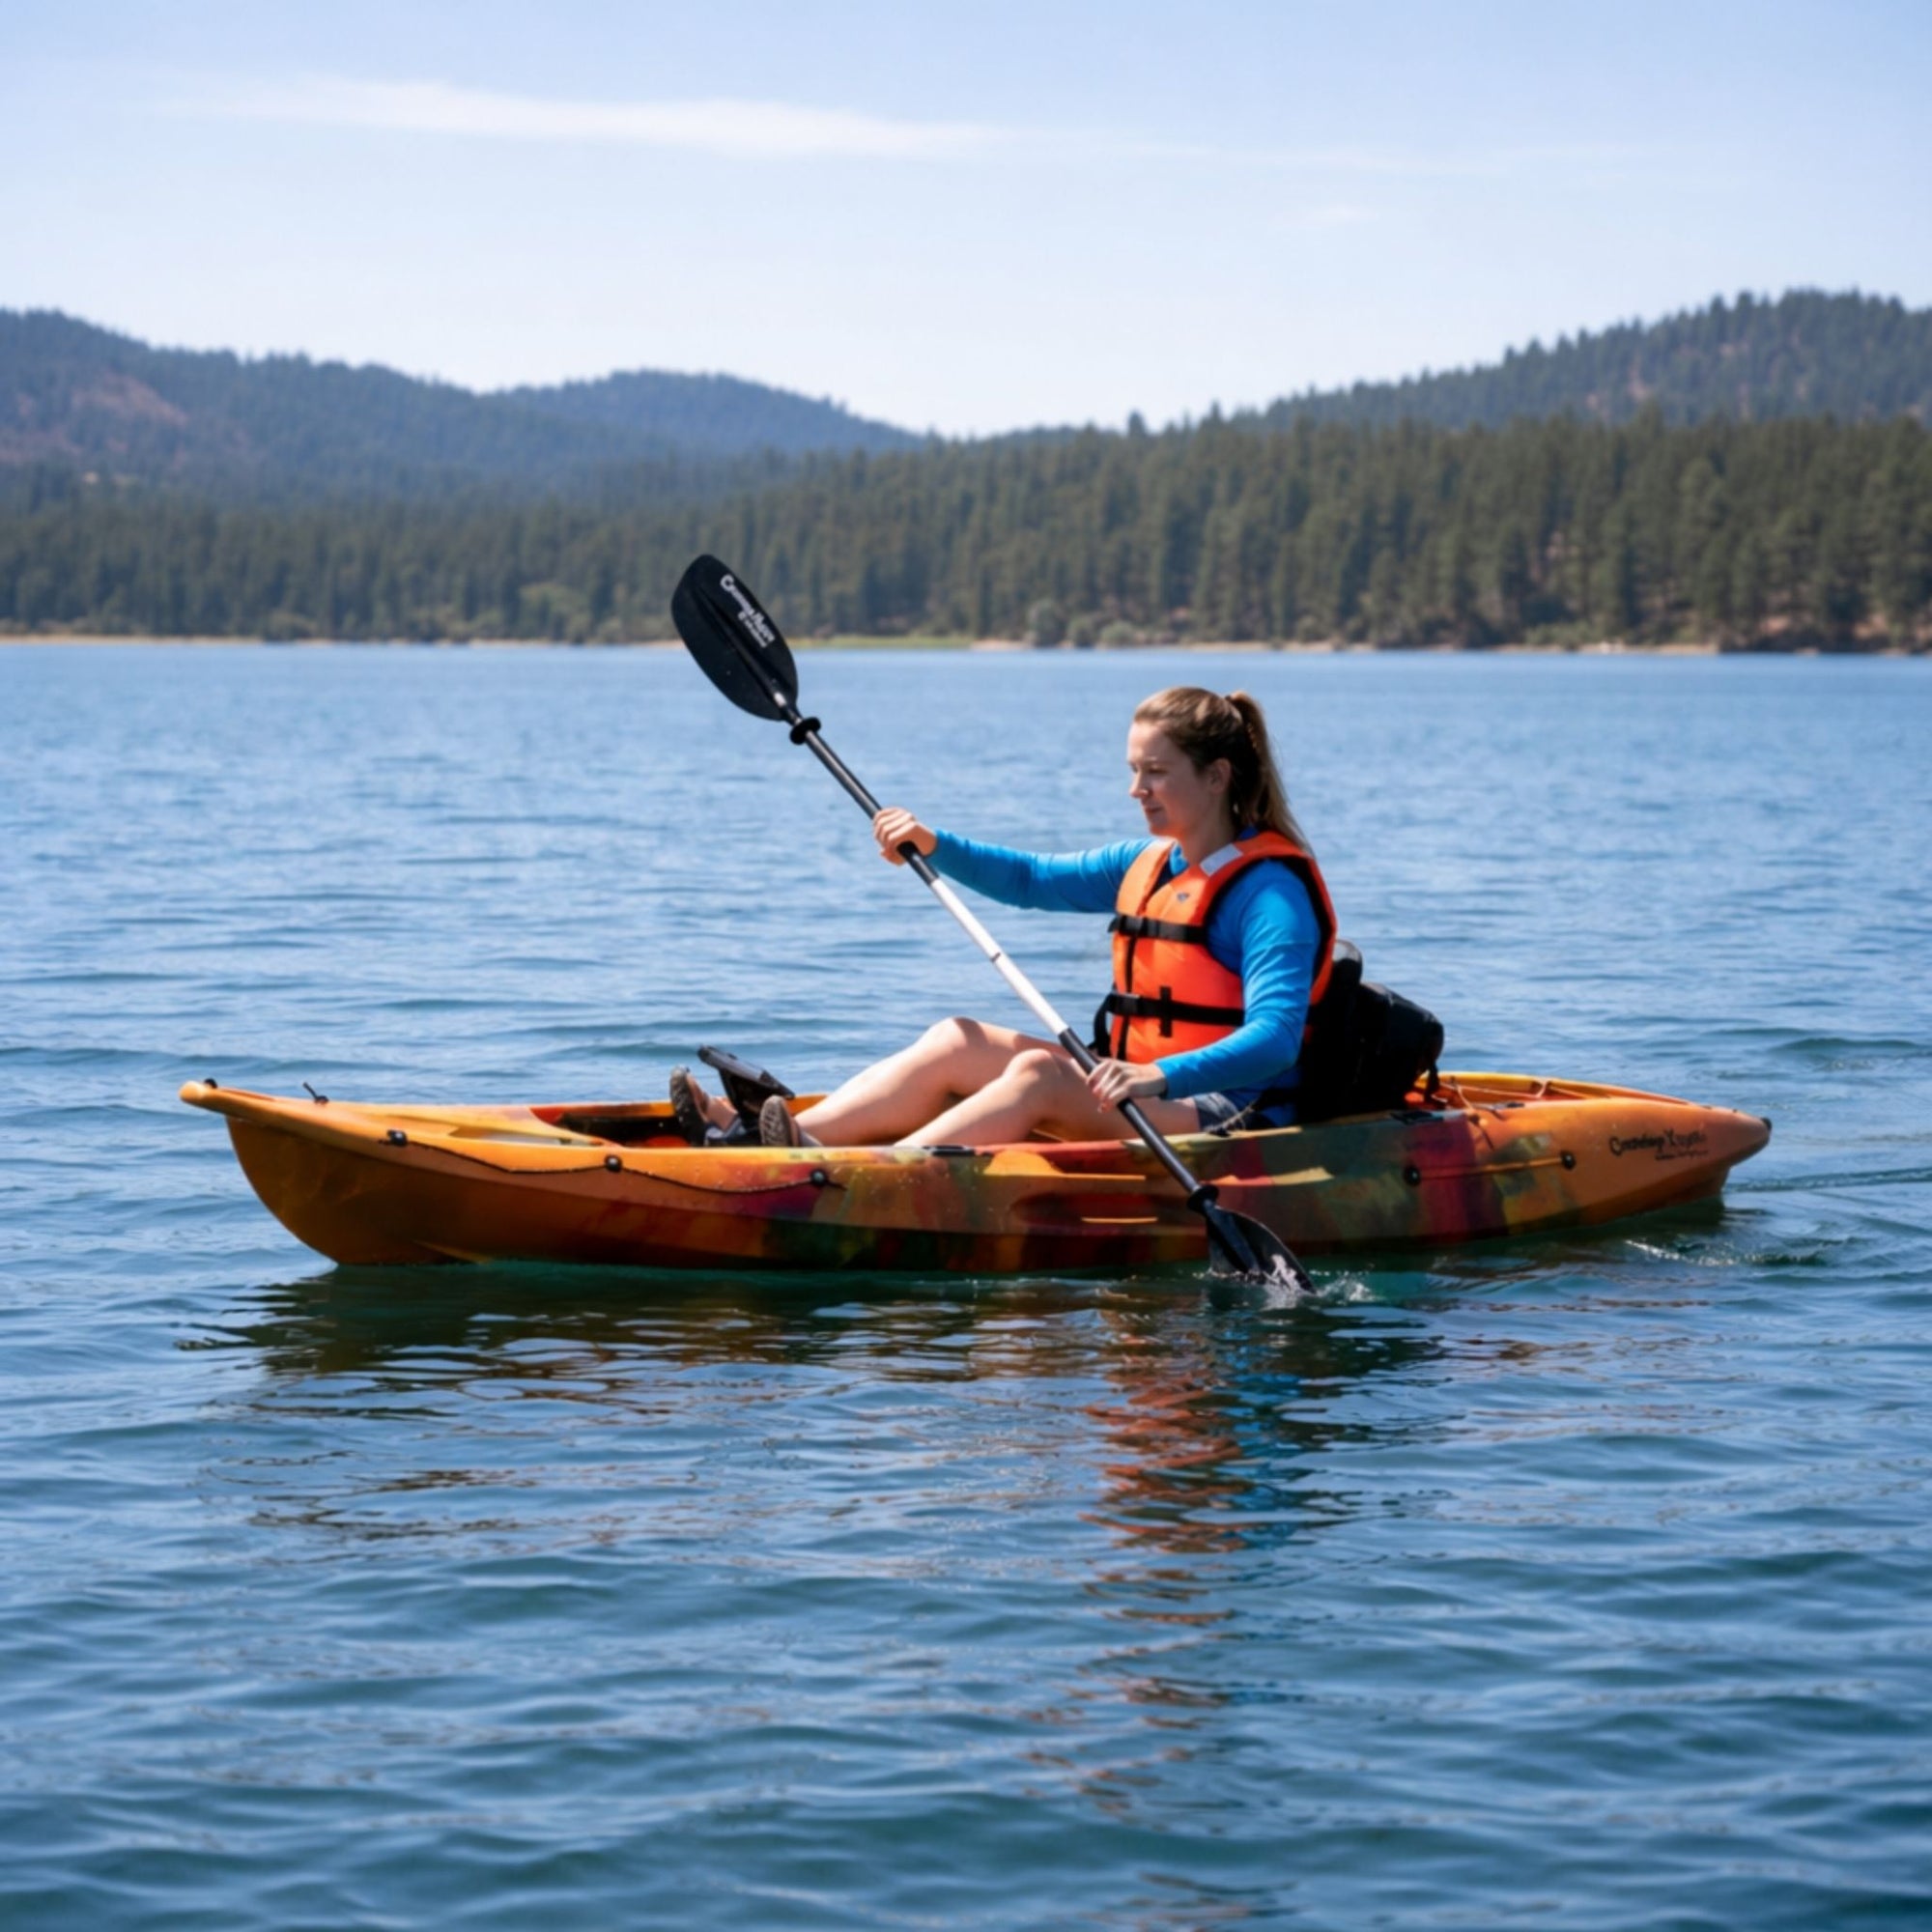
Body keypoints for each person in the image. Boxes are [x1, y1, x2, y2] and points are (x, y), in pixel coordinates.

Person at [671, 686, 1337, 1150]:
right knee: (958, 1038)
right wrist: (934, 844)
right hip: (1138, 1088)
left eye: (1156, 773)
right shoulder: (1148, 863)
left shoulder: (1269, 894)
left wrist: (1156, 1076)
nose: (1137, 790)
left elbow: (1277, 1038)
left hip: (1227, 1113)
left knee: (1040, 1077)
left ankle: (850, 1176)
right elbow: (1029, 878)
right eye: (1134, 771)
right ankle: (794, 1139)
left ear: (1217, 776)